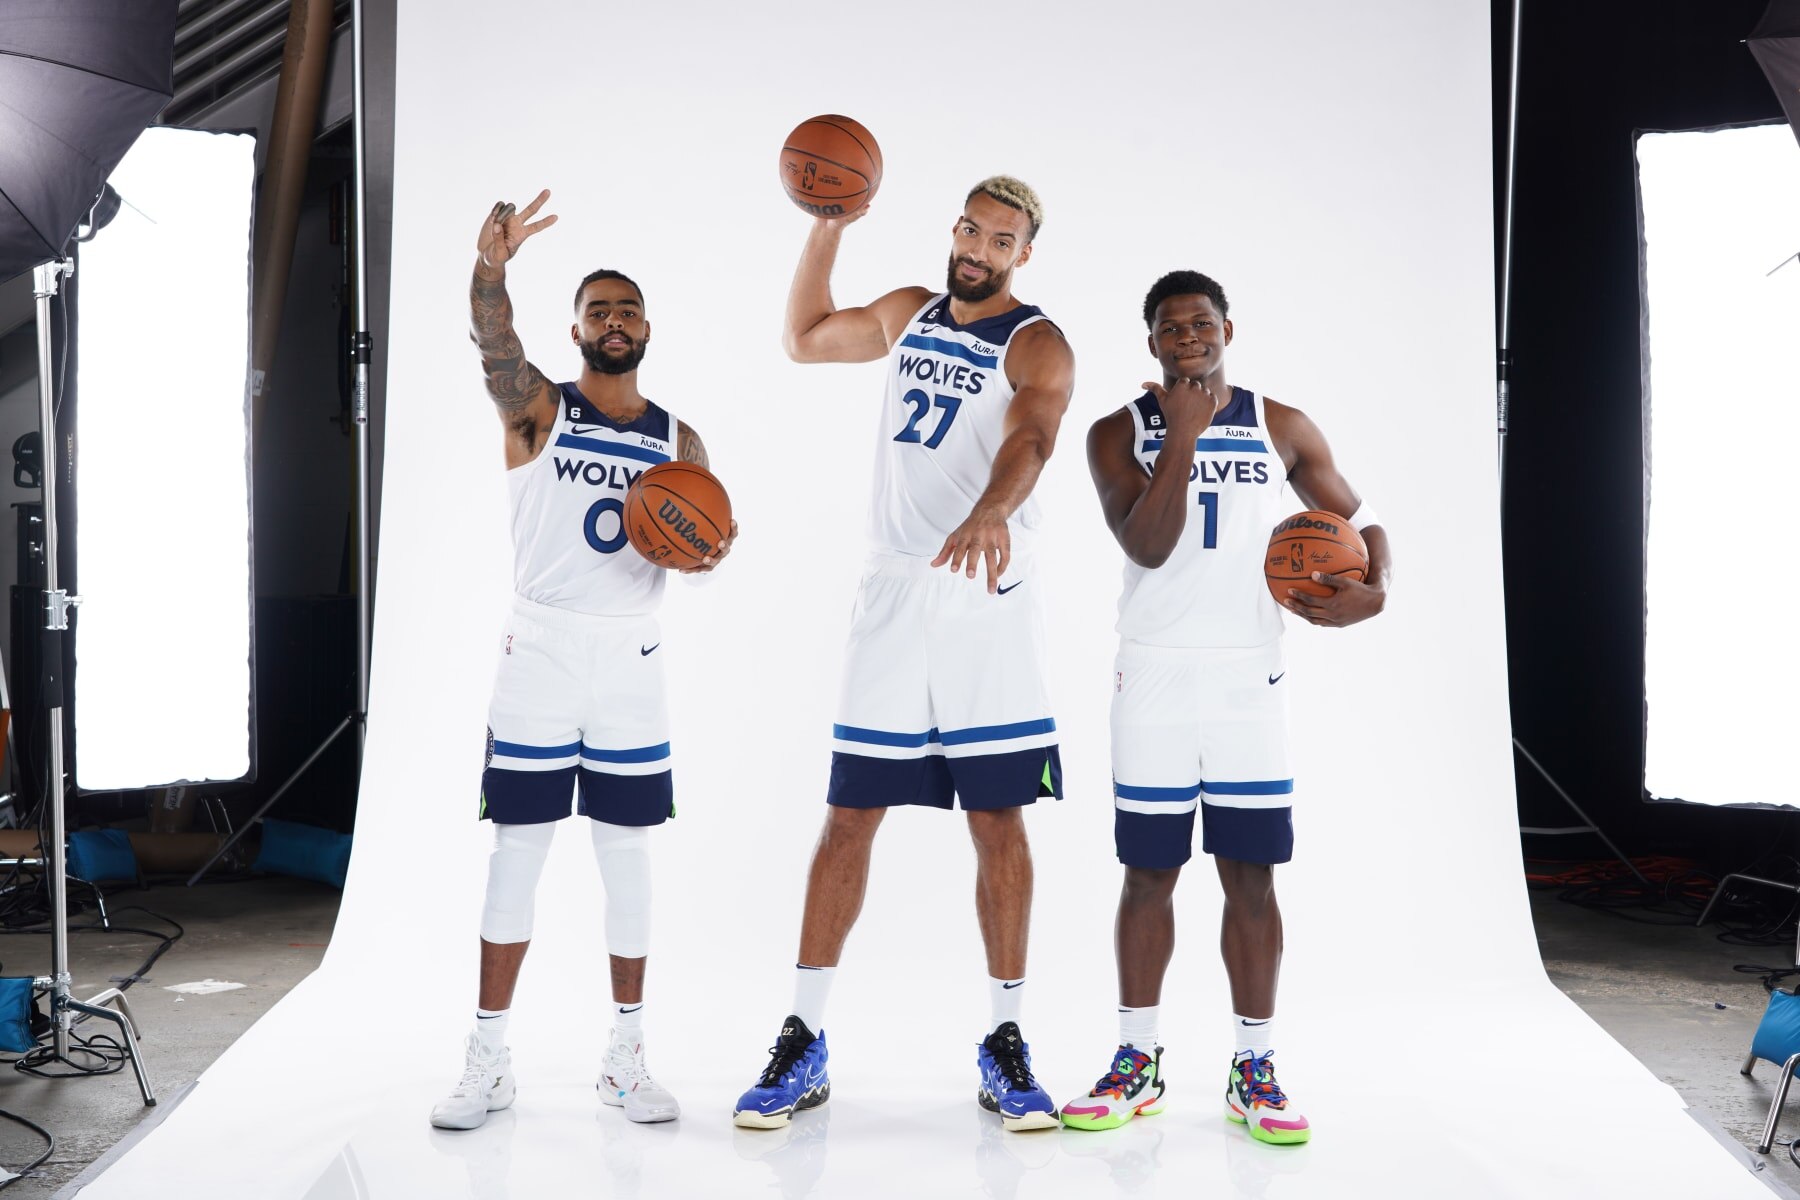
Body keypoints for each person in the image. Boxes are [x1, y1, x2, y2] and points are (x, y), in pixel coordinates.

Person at [731, 177, 1075, 1133]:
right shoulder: (910, 313)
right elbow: (802, 338)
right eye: (972, 228)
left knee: (999, 821)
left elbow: (1036, 433)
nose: (979, 247)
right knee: (849, 815)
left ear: (1022, 256)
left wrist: (991, 509)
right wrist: (825, 231)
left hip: (983, 596)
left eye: (1002, 239)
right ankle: (803, 1038)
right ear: (956, 231)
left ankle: (1006, 1042)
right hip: (891, 593)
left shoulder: (1036, 340)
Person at [1058, 270, 1391, 1145]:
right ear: (1152, 345)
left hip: (1250, 680)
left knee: (1251, 876)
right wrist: (1182, 437)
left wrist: (1377, 589)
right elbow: (1148, 545)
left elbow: (1363, 522)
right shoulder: (1112, 434)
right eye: (1170, 329)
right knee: (1150, 873)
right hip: (1155, 676)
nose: (1188, 338)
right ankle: (1138, 1061)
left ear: (1228, 329)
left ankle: (1255, 1068)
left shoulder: (1280, 423)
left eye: (1201, 323)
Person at [430, 190, 735, 1131]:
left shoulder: (678, 441)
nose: (614, 320)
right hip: (542, 649)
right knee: (514, 857)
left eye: (628, 307)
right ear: (575, 328)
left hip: (630, 660)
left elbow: (707, 557)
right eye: (598, 308)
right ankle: (487, 1057)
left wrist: (711, 553)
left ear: (648, 326)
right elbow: (493, 346)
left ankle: (626, 1057)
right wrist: (492, 270)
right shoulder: (537, 411)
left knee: (628, 862)